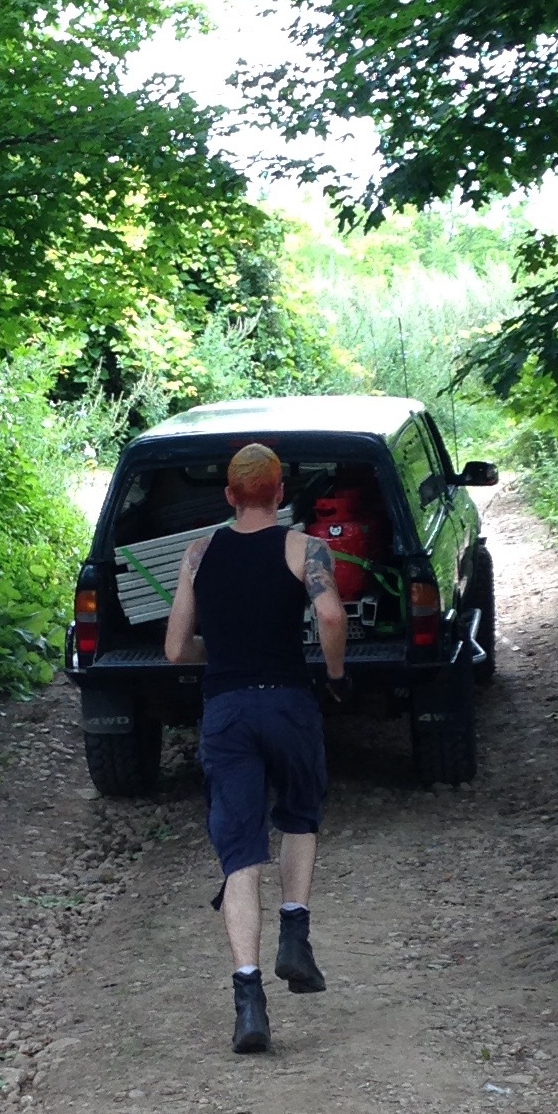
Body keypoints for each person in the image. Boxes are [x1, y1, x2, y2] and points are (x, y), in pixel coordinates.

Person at [164, 440, 350, 1054]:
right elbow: (329, 616)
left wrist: (218, 655)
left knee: (240, 853)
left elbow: (174, 650)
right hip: (288, 702)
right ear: (278, 492)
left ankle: (249, 1003)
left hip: (227, 711)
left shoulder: (198, 553)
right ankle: (294, 935)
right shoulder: (304, 548)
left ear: (227, 496)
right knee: (299, 814)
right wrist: (336, 672)